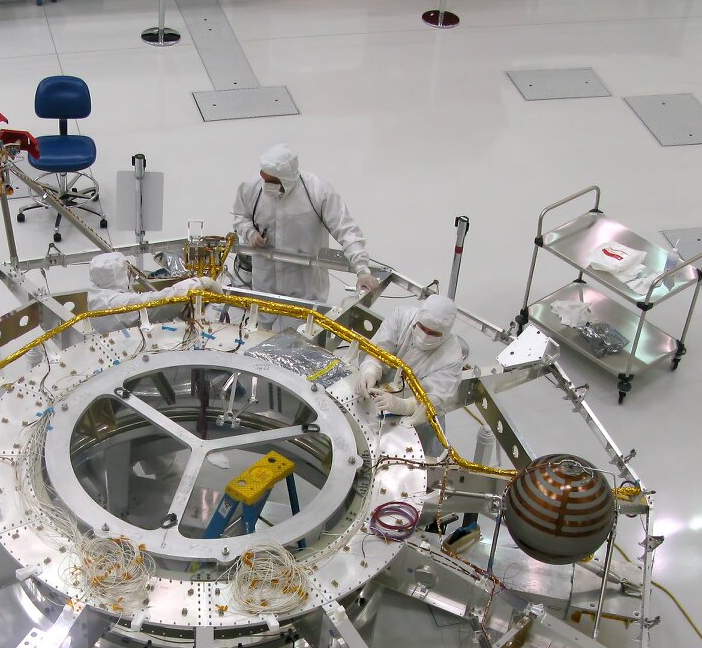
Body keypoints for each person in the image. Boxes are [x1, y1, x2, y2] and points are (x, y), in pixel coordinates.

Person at [231, 145, 378, 309]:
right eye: (263, 178)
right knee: (262, 325)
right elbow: (240, 216)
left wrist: (362, 270)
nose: (266, 185)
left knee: (302, 325)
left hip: (305, 292)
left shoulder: (318, 192)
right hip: (264, 289)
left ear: (287, 178)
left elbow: (347, 231)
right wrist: (250, 232)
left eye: (272, 182)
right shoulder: (251, 188)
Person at [356, 294, 467, 458]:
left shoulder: (451, 356)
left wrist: (403, 405)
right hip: (378, 397)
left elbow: (434, 398)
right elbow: (379, 348)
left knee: (410, 461)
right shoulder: (401, 317)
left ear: (445, 333)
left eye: (433, 333)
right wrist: (370, 370)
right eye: (422, 327)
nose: (425, 335)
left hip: (417, 423)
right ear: (417, 319)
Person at [86, 252, 216, 332]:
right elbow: (155, 303)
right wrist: (200, 283)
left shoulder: (98, 295)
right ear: (118, 274)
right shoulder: (112, 303)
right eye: (126, 271)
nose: (129, 275)